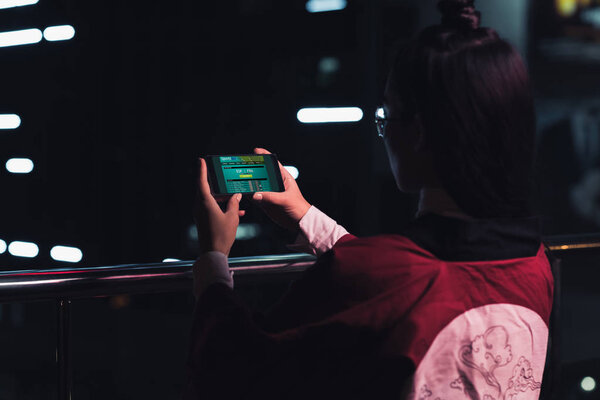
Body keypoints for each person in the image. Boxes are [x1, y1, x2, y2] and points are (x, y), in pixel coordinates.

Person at [183, 1, 554, 399]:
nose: (383, 130)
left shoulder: (389, 275)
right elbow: (414, 287)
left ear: (420, 132)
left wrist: (213, 261)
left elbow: (232, 370)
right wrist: (304, 217)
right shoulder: (537, 263)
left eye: (386, 116)